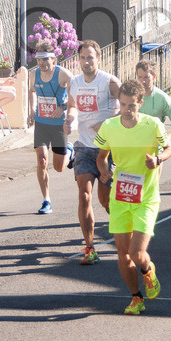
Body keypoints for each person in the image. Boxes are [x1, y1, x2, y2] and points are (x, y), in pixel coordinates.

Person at [94, 79, 171, 315]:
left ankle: (148, 270)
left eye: (132, 105)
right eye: (123, 104)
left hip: (146, 198)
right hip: (120, 198)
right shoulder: (109, 126)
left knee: (136, 253)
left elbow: (170, 148)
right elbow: (101, 156)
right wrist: (103, 169)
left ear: (141, 103)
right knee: (122, 254)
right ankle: (136, 298)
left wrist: (157, 160)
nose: (127, 110)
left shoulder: (153, 125)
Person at [65, 40, 120, 264]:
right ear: (78, 60)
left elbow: (129, 106)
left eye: (90, 57)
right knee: (84, 195)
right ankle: (90, 247)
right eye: (83, 58)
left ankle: (117, 220)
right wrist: (70, 118)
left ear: (98, 59)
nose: (86, 62)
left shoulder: (109, 81)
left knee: (105, 201)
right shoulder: (75, 83)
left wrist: (108, 122)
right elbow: (72, 105)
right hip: (85, 147)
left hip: (107, 149)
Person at [27, 42, 72, 215]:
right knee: (42, 160)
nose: (42, 63)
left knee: (59, 168)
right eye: (38, 59)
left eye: (45, 59)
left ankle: (70, 151)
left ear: (54, 58)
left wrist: (64, 106)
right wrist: (32, 110)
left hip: (59, 125)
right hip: (41, 123)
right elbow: (31, 91)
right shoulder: (34, 74)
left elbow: (76, 91)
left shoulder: (62, 74)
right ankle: (46, 200)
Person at [135, 60, 171, 143]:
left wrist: (168, 138)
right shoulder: (131, 96)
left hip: (155, 147)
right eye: (140, 77)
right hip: (135, 144)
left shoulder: (162, 97)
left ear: (154, 76)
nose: (143, 81)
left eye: (146, 77)